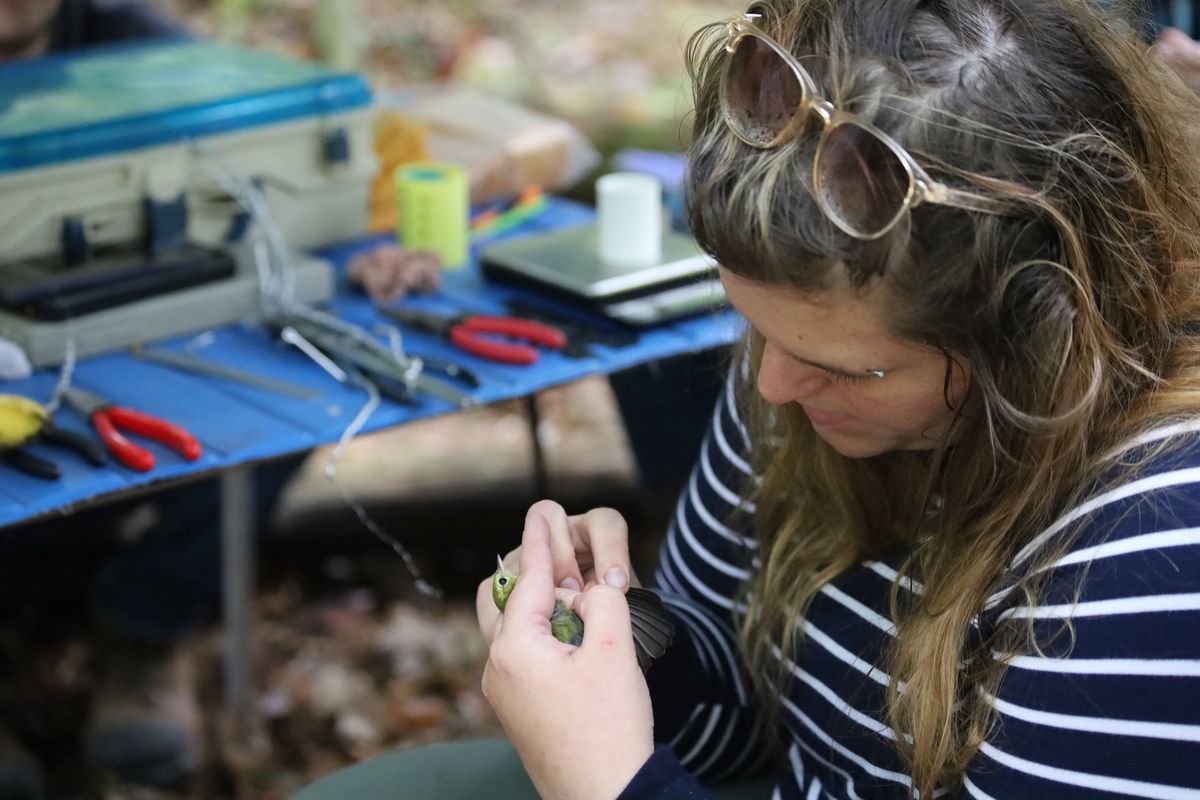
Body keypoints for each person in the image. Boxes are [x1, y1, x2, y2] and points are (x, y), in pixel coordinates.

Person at [472, 0, 1200, 797]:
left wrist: (605, 781)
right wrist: (630, 649)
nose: (771, 387)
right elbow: (749, 735)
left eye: (851, 370)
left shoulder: (1154, 548)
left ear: (1040, 346)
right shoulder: (802, 370)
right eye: (753, 327)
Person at [0, 3, 428, 796]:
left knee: (299, 389)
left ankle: (145, 629)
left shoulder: (139, 46)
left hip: (141, 325)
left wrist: (369, 254)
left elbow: (274, 178)